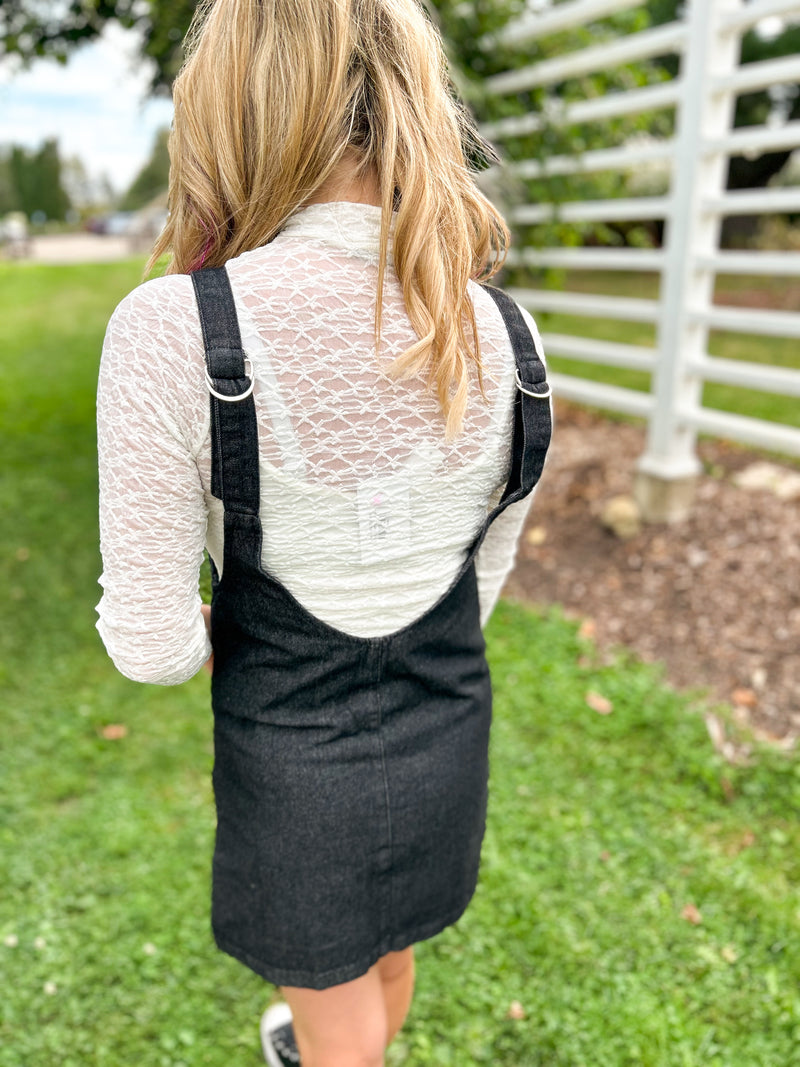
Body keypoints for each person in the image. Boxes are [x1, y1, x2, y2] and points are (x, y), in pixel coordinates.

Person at [95, 0, 552, 1064]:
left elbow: (154, 648)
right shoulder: (508, 334)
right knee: (386, 949)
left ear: (229, 110)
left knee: (335, 1016)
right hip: (444, 725)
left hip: (296, 769)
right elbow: (480, 575)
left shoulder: (175, 329)